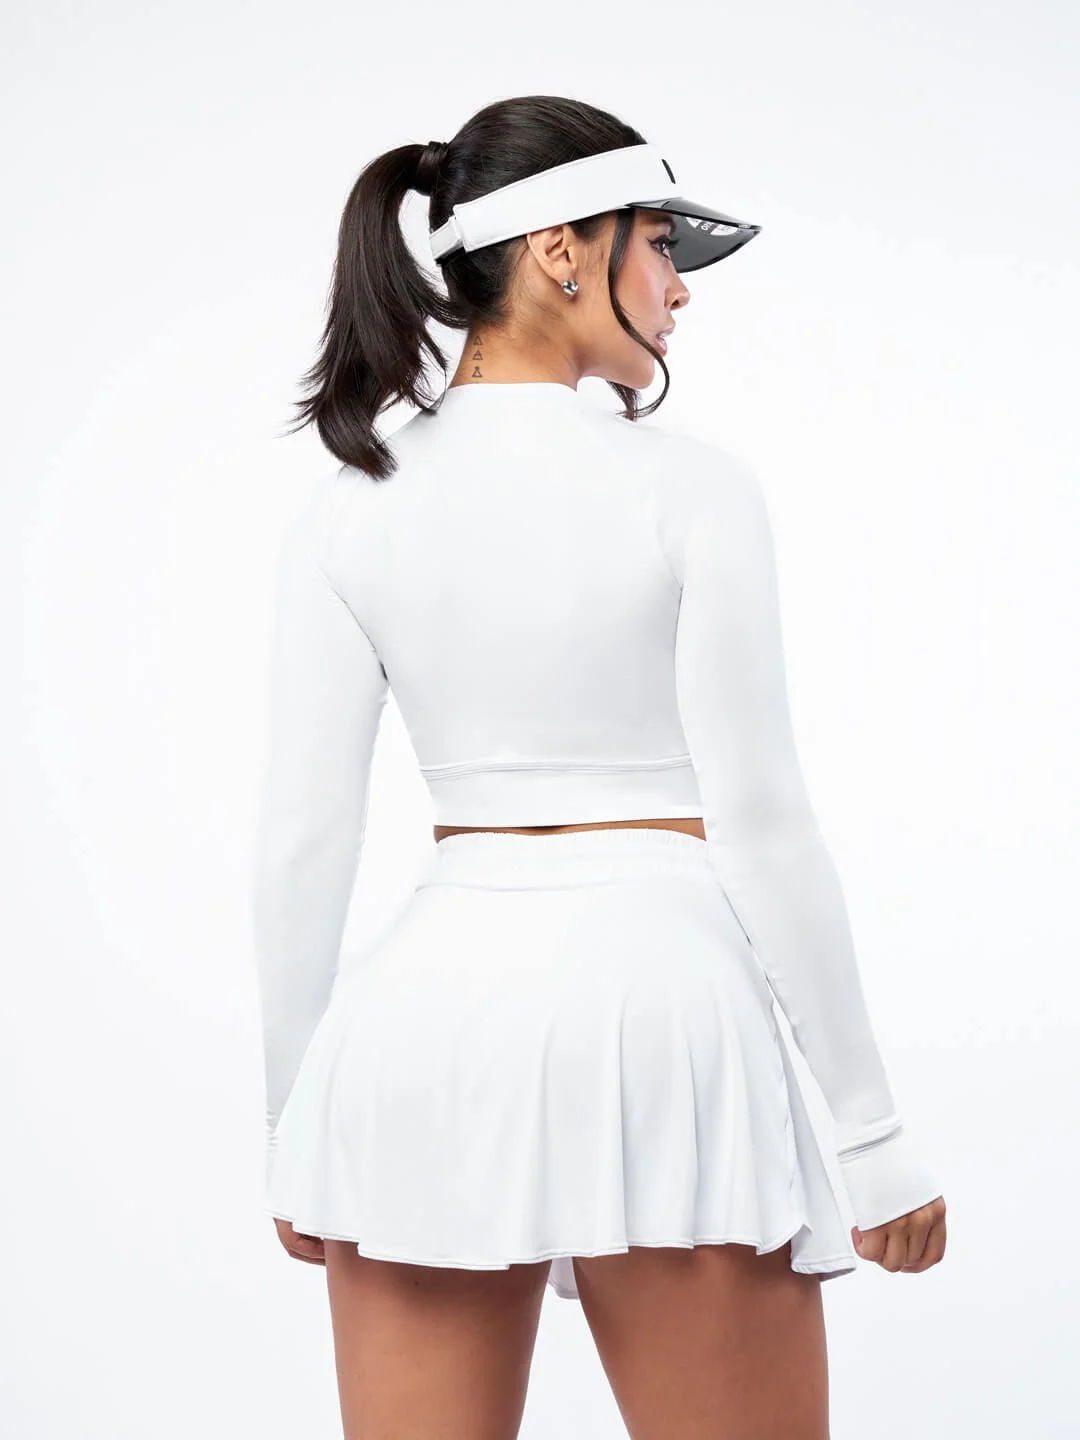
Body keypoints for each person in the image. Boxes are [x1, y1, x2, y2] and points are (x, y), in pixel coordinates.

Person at [251, 94, 947, 1440]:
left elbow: (300, 844)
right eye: (660, 244)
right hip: (659, 1016)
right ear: (559, 249)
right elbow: (762, 824)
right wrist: (871, 1133)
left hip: (415, 1035)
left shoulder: (347, 508)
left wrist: (296, 1125)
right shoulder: (691, 489)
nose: (681, 287)